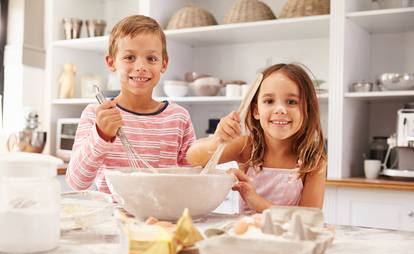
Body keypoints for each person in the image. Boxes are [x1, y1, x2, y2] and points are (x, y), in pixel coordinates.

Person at [66, 15, 195, 193]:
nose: (141, 66)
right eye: (129, 57)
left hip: (164, 219)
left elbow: (192, 178)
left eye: (151, 59)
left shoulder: (178, 117)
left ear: (163, 64)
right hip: (112, 219)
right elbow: (76, 182)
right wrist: (101, 135)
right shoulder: (97, 115)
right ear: (111, 62)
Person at [187, 63, 326, 212]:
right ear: (256, 111)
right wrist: (217, 140)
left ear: (307, 111)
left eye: (291, 102)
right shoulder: (247, 147)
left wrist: (255, 200)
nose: (280, 109)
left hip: (289, 236)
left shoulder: (314, 161)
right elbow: (193, 157)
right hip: (246, 234)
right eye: (269, 101)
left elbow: (309, 217)